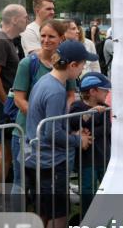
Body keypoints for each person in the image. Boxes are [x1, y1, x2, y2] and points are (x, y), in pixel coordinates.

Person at [23, 41, 95, 228]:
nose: (83, 69)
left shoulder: (45, 81)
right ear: (72, 65)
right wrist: (77, 140)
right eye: (82, 65)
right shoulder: (55, 90)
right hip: (51, 161)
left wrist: (71, 130)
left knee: (45, 212)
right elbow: (51, 133)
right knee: (59, 215)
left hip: (37, 159)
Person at [12, 19, 77, 194]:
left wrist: (60, 116)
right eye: (43, 36)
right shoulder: (28, 63)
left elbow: (71, 95)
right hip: (26, 133)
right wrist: (42, 120)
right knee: (21, 183)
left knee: (48, 188)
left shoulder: (65, 63)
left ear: (62, 39)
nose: (46, 40)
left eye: (51, 36)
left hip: (53, 135)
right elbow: (19, 99)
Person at [0, 4, 28, 196]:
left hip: (3, 103)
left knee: (5, 150)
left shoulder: (7, 40)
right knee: (7, 153)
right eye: (25, 17)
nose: (28, 20)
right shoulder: (0, 41)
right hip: (0, 103)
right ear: (15, 19)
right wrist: (7, 103)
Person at [69, 72, 112, 217]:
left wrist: (86, 132)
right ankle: (87, 218)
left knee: (108, 187)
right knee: (88, 189)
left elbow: (105, 128)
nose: (107, 93)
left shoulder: (105, 108)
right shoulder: (77, 106)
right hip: (86, 160)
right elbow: (74, 123)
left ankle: (106, 215)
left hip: (103, 156)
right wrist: (90, 113)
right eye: (104, 90)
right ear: (93, 91)